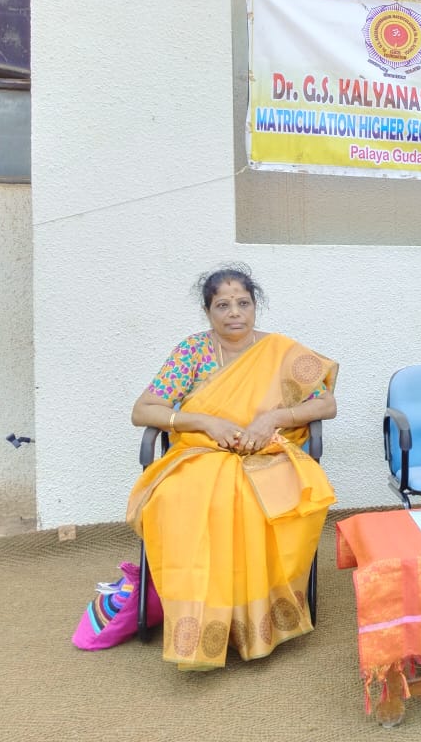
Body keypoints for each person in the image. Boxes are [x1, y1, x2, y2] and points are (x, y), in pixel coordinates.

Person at [127, 265, 338, 670]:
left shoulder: (279, 350)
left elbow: (325, 403)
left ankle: (252, 622)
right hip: (201, 454)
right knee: (181, 499)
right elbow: (143, 410)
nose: (234, 312)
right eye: (222, 305)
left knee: (252, 499)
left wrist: (274, 419)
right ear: (208, 312)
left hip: (269, 454)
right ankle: (206, 622)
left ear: (255, 307)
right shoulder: (192, 351)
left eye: (243, 303)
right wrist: (204, 422)